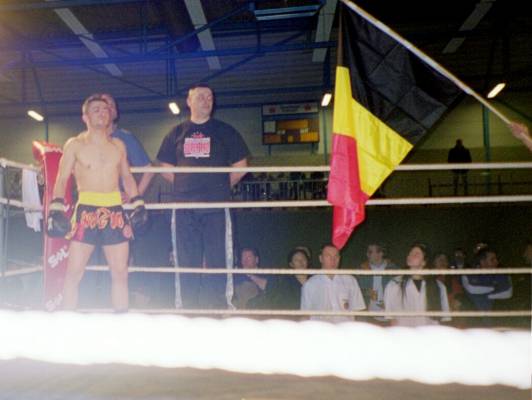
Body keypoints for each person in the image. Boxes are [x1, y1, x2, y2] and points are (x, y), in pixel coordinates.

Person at [48, 94, 147, 311]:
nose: (102, 113)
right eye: (96, 110)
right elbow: (62, 178)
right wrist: (55, 208)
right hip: (86, 211)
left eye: (105, 109)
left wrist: (138, 202)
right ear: (85, 117)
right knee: (74, 272)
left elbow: (127, 177)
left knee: (120, 272)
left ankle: (121, 320)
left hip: (115, 211)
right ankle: (66, 320)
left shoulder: (118, 145)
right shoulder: (75, 144)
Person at [156, 84, 250, 309]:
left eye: (209, 97)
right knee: (186, 260)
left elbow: (241, 166)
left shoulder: (225, 131)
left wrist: (219, 187)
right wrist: (185, 186)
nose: (206, 100)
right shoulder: (176, 133)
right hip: (184, 207)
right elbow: (164, 166)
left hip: (216, 207)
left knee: (219, 259)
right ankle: (186, 309)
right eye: (200, 97)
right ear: (189, 102)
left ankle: (220, 308)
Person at [384, 243, 450, 327]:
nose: (410, 256)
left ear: (424, 262)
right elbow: (391, 317)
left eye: (416, 254)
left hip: (429, 332)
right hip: (405, 332)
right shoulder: (394, 284)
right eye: (410, 253)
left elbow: (444, 318)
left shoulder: (439, 286)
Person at [101, 94, 154, 197]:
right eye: (104, 106)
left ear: (115, 113)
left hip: (117, 201)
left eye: (111, 105)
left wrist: (134, 196)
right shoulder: (84, 141)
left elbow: (149, 170)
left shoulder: (125, 138)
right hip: (92, 200)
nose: (108, 108)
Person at [300, 244, 365, 323]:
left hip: (345, 328)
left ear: (339, 258)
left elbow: (358, 310)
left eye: (336, 256)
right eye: (328, 256)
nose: (333, 260)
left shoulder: (350, 280)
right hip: (321, 328)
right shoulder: (310, 284)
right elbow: (305, 315)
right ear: (321, 258)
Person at [357, 243, 396, 325]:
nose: (367, 255)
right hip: (370, 316)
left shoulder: (393, 269)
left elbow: (399, 292)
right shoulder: (362, 269)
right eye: (368, 252)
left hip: (390, 316)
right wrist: (367, 292)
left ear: (380, 253)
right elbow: (356, 291)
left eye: (370, 252)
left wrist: (389, 302)